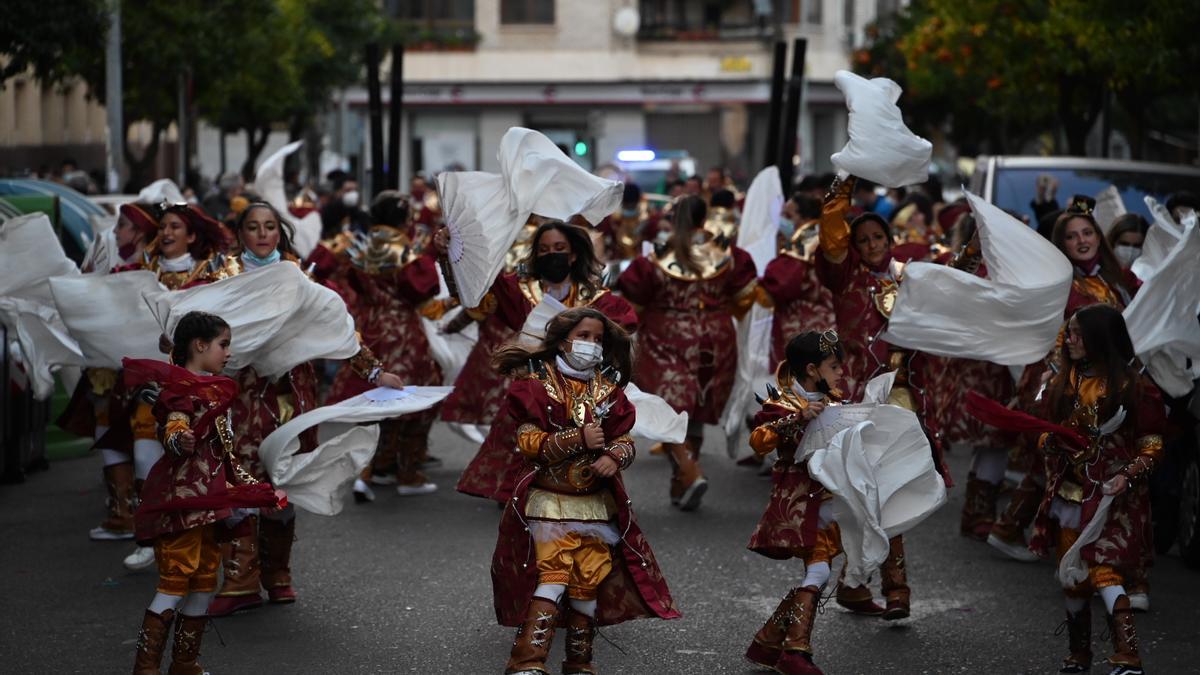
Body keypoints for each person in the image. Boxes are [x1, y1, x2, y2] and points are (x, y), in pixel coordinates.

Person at [207, 200, 403, 616]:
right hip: (237, 396)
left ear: (280, 233)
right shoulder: (221, 276)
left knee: (284, 479)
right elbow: (193, 329)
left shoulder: (299, 278)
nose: (262, 234)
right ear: (240, 233)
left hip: (290, 396)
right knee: (237, 479)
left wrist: (375, 374)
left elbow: (337, 327)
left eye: (270, 227)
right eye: (253, 227)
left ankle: (278, 574)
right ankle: (241, 580)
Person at [488, 307, 678, 674]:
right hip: (550, 501)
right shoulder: (536, 384)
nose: (591, 344)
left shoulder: (609, 391)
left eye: (597, 339)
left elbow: (625, 440)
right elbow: (527, 442)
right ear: (563, 341)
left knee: (587, 583)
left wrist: (614, 457)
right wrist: (578, 438)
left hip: (595, 505)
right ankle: (527, 662)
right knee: (554, 576)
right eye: (584, 336)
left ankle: (580, 663)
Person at [815, 175, 952, 619]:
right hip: (853, 400)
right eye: (863, 239)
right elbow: (832, 243)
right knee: (853, 494)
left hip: (901, 401)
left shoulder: (909, 280)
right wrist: (840, 195)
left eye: (879, 236)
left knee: (887, 491)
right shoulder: (844, 276)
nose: (871, 244)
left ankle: (894, 587)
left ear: (891, 239)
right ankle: (855, 582)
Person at [989, 197, 1138, 578]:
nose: (1082, 240)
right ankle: (1028, 532)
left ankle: (1050, 534)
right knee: (1061, 454)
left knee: (1079, 458)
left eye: (1088, 232)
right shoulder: (1060, 281)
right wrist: (1058, 377)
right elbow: (1059, 334)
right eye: (1072, 236)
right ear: (1062, 244)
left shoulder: (1116, 278)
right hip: (1065, 378)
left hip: (1108, 379)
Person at [438, 220, 638, 503]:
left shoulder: (595, 297)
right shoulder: (519, 288)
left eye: (559, 248)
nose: (551, 254)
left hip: (581, 389)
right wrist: (450, 253)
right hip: (535, 383)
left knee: (586, 442)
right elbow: (473, 291)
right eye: (543, 250)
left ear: (572, 255)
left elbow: (624, 325)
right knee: (522, 437)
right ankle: (517, 491)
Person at [126, 311, 281, 674]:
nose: (228, 353)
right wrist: (180, 438)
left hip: (211, 504)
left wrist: (252, 490)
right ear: (200, 345)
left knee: (205, 582)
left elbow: (223, 454)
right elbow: (172, 426)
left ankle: (185, 664)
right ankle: (145, 669)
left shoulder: (215, 387)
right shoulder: (178, 388)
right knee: (174, 583)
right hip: (181, 503)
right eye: (223, 345)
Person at [1030, 306, 1165, 675]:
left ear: (1099, 339)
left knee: (1105, 572)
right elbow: (1044, 431)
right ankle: (1079, 654)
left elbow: (1152, 444)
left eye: (1076, 334)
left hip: (1112, 498)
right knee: (1072, 577)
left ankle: (1129, 656)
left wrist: (1128, 476)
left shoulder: (1133, 387)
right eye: (1068, 333)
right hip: (1070, 495)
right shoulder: (1062, 381)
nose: (1068, 340)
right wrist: (1051, 442)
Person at [617, 195, 758, 511]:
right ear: (703, 218)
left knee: (669, 407)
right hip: (715, 339)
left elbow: (633, 303)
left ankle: (687, 469)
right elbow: (746, 298)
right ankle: (681, 479)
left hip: (666, 336)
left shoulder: (655, 258)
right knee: (696, 406)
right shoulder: (728, 254)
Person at [744, 331, 848, 675]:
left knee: (822, 569)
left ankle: (769, 642)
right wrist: (798, 418)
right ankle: (795, 653)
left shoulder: (836, 402)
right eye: (834, 366)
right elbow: (759, 441)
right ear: (811, 369)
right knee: (819, 570)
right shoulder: (781, 404)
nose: (840, 373)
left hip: (832, 501)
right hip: (800, 504)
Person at [326, 192, 443, 499]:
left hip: (371, 327)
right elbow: (422, 289)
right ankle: (407, 472)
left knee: (378, 401)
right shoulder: (404, 250)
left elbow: (350, 281)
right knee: (415, 400)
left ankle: (377, 467)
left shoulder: (364, 246)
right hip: (402, 331)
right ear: (405, 219)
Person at [760, 192, 835, 367]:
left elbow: (781, 284)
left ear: (805, 218)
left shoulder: (801, 246)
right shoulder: (827, 237)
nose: (782, 221)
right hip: (829, 322)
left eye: (788, 215)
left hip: (802, 326)